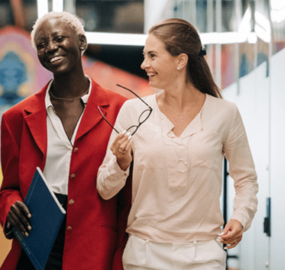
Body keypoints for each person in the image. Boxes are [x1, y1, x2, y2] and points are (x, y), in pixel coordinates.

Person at [97, 18, 259, 269]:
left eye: (152, 55)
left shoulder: (225, 113)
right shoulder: (133, 110)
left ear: (180, 60)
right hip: (144, 255)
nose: (143, 64)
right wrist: (120, 163)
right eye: (144, 55)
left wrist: (240, 218)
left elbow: (246, 179)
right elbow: (104, 188)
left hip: (204, 255)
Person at [0, 11, 131, 270]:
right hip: (36, 243)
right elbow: (7, 191)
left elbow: (127, 200)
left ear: (81, 42)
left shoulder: (120, 109)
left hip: (95, 248)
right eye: (42, 44)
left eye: (58, 38)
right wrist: (10, 205)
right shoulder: (16, 118)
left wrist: (120, 257)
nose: (50, 48)